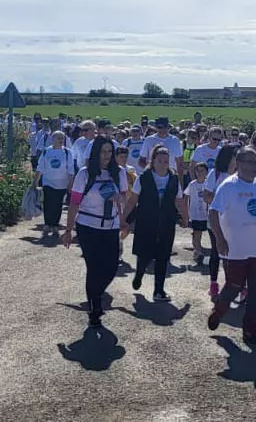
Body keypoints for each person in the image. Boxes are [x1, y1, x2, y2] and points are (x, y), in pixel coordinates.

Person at [207, 147, 256, 346]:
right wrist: (220, 239)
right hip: (234, 249)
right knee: (233, 287)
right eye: (250, 162)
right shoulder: (228, 186)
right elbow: (213, 213)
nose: (255, 167)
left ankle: (250, 330)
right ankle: (219, 310)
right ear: (239, 163)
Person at [62, 137, 125, 327]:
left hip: (110, 226)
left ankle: (96, 294)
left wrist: (119, 203)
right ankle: (94, 308)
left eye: (109, 152)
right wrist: (68, 229)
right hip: (88, 226)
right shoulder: (85, 174)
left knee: (111, 267)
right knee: (94, 267)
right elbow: (74, 202)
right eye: (103, 152)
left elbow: (123, 197)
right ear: (95, 153)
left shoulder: (119, 173)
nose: (106, 156)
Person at [122, 146, 186, 303]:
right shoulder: (143, 177)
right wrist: (123, 218)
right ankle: (139, 274)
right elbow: (132, 200)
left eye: (166, 161)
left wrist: (185, 216)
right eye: (159, 161)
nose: (163, 164)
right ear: (153, 161)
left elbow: (179, 200)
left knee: (163, 257)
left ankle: (159, 290)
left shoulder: (173, 179)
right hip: (146, 221)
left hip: (166, 222)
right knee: (145, 253)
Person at [204, 144, 241, 300]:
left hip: (236, 222)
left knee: (237, 254)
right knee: (217, 252)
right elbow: (206, 195)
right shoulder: (216, 174)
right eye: (236, 155)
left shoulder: (242, 175)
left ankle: (234, 284)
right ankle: (214, 282)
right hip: (217, 220)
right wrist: (223, 203)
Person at [36, 131, 74, 235]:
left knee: (58, 204)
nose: (61, 140)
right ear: (53, 139)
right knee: (47, 202)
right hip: (48, 181)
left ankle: (55, 224)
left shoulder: (67, 152)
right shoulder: (46, 151)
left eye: (62, 138)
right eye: (59, 138)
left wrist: (70, 184)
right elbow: (40, 167)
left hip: (62, 183)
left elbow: (71, 170)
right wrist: (35, 182)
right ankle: (47, 223)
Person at [185, 161, 212, 265]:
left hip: (206, 214)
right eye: (198, 171)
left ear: (206, 172)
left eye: (202, 171)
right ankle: (198, 252)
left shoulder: (208, 184)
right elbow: (186, 196)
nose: (200, 173)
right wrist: (186, 211)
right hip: (195, 213)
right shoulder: (192, 184)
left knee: (209, 232)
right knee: (197, 233)